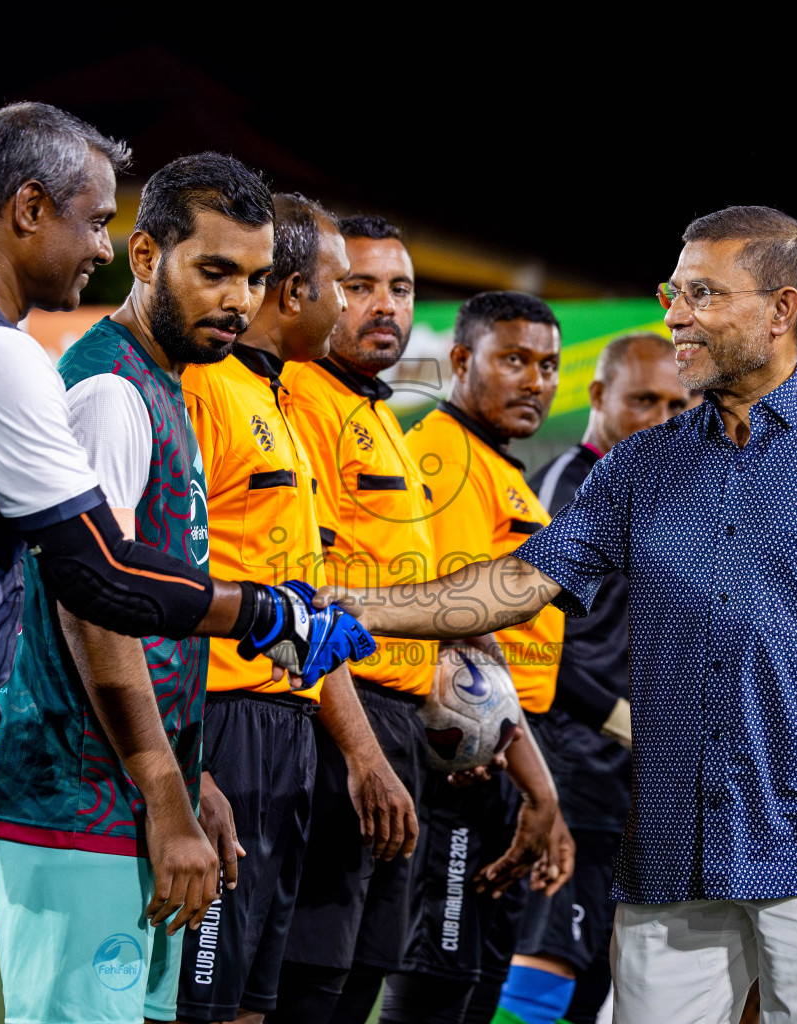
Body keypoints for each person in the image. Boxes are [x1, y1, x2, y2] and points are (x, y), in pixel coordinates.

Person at [320, 207, 797, 1024]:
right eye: (673, 293)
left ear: (782, 310)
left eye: (703, 294)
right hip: (671, 853)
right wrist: (353, 605)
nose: (676, 314)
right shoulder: (642, 464)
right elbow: (519, 584)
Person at [0, 121, 371, 1023]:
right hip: (78, 792)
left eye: (257, 277)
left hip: (130, 788)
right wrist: (166, 789)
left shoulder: (166, 383)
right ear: (146, 256)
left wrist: (188, 783)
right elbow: (97, 606)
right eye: (216, 271)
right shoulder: (110, 390)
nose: (240, 300)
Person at [177, 192, 415, 1024]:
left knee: (255, 1000)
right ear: (293, 293)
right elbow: (156, 582)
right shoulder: (204, 388)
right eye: (343, 285)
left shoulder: (274, 399)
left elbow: (303, 598)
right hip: (226, 718)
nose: (354, 304)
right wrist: (186, 761)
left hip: (286, 729)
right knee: (198, 999)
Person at [379, 290, 571, 1024]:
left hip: (506, 756)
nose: (536, 381)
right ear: (461, 361)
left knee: (475, 980)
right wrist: (535, 779)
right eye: (515, 360)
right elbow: (459, 627)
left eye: (548, 365)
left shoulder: (498, 467)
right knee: (438, 982)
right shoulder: (444, 458)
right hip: (465, 765)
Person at [500, 332, 700, 1024]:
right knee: (547, 962)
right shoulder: (571, 489)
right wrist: (637, 729)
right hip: (567, 770)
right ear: (598, 397)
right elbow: (546, 654)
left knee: (592, 974)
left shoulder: (654, 497)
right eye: (644, 400)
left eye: (679, 404)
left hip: (624, 781)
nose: (663, 418)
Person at [270, 215, 437, 1024]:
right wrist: (360, 751)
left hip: (399, 724)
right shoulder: (304, 399)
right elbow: (304, 592)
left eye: (399, 289)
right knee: (313, 979)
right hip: (342, 718)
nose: (382, 306)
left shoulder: (378, 414)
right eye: (360, 285)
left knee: (359, 973)